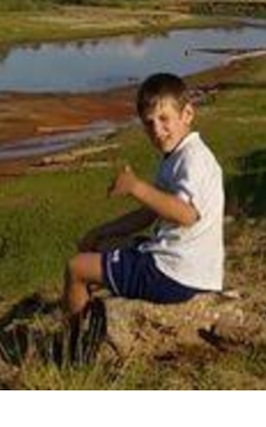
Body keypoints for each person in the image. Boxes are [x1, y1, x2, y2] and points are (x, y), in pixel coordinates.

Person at [63, 72, 224, 319]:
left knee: (76, 268)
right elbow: (150, 213)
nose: (157, 130)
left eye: (164, 119)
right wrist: (100, 232)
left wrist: (136, 187)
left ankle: (72, 349)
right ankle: (93, 312)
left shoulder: (193, 159)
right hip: (182, 264)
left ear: (187, 115)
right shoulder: (177, 155)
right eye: (149, 123)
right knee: (102, 245)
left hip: (175, 273)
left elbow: (186, 215)